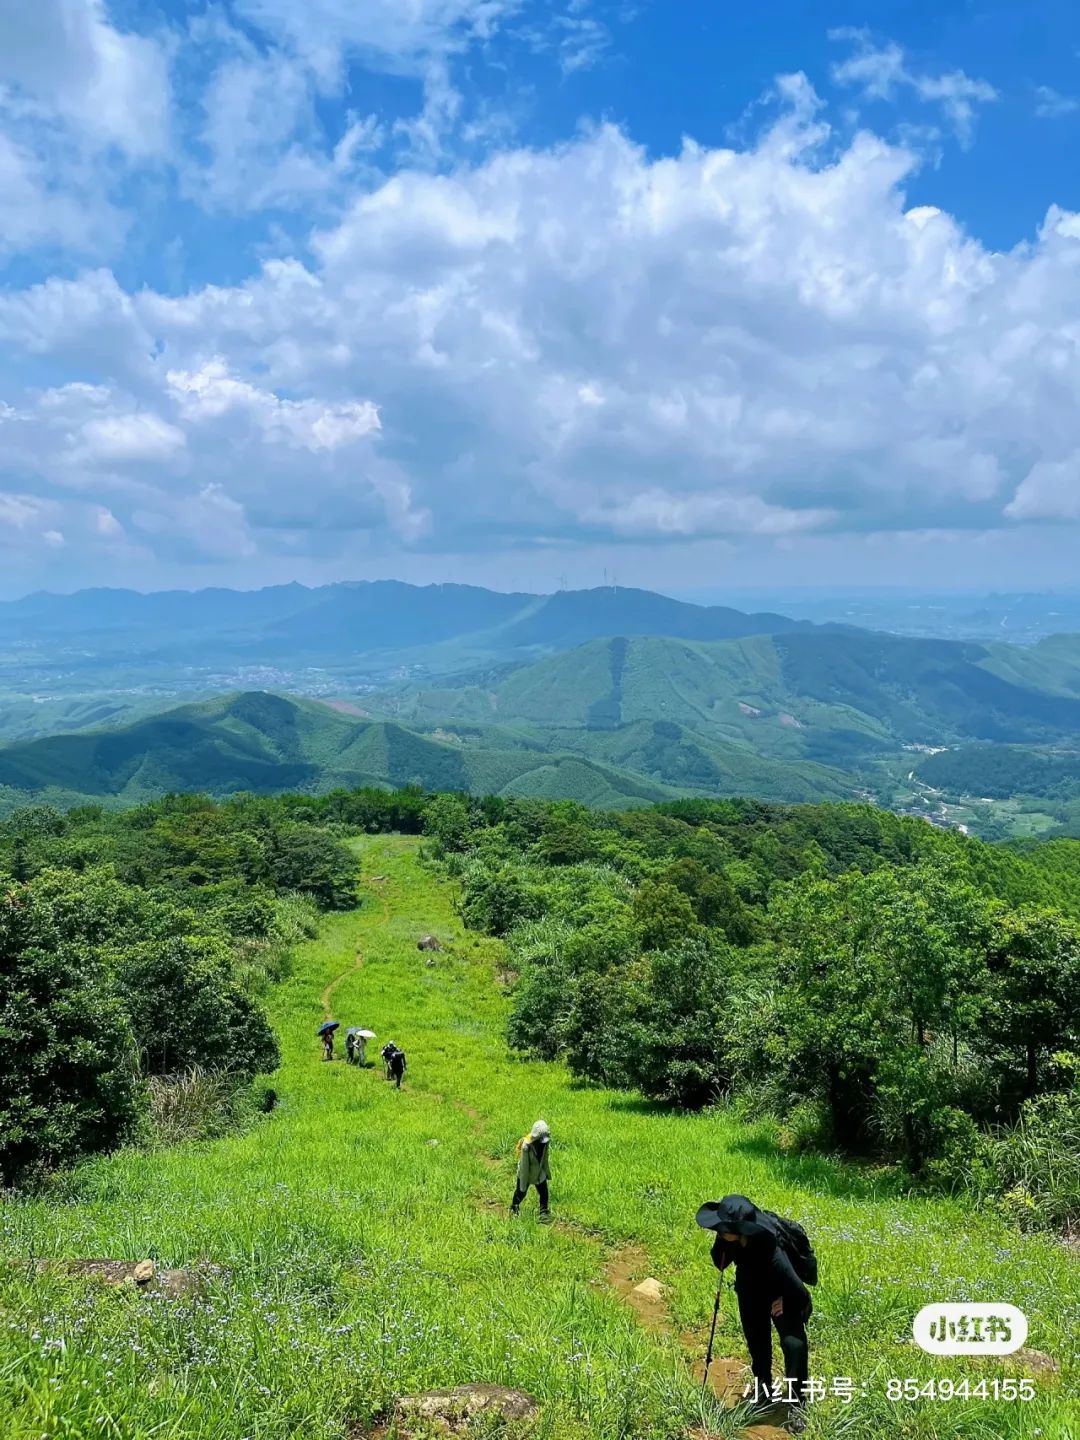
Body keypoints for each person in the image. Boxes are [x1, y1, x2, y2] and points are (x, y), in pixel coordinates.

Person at [696, 1195, 813, 1426]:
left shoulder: (770, 1248)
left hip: (781, 1292)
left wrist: (786, 1302)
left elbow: (800, 1293)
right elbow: (719, 1263)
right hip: (750, 1290)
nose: (718, 1230)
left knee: (794, 1344)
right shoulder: (730, 1239)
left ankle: (797, 1403)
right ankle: (764, 1389)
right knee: (757, 1341)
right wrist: (724, 1241)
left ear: (742, 1230)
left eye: (723, 1228)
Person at [511, 1120, 551, 1219]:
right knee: (521, 1192)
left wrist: (546, 1173)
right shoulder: (526, 1147)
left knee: (544, 1192)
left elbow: (544, 1159)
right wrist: (523, 1184)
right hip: (527, 1173)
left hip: (539, 1172)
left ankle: (543, 1211)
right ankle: (514, 1208)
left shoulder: (545, 1143)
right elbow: (524, 1167)